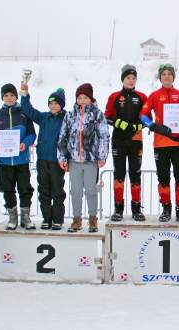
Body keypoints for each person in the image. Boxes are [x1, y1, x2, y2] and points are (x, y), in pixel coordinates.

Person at [140, 63, 179, 224]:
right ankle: (166, 208)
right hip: (161, 144)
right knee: (163, 178)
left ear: (173, 77)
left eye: (170, 74)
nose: (167, 76)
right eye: (164, 74)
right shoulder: (155, 95)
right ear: (160, 77)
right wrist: (153, 126)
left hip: (177, 144)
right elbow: (143, 115)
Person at [57, 83, 110, 232]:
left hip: (90, 160)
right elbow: (63, 136)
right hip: (74, 161)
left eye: (85, 97)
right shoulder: (70, 114)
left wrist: (102, 156)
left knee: (91, 190)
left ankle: (93, 219)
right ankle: (76, 219)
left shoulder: (97, 114)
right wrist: (62, 157)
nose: (82, 100)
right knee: (75, 191)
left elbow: (104, 135)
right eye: (79, 97)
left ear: (90, 98)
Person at [0, 83, 36, 230]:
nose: (9, 98)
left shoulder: (23, 114)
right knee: (7, 189)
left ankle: (26, 217)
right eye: (6, 95)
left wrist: (25, 143)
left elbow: (32, 134)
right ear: (2, 97)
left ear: (16, 96)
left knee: (25, 188)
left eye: (12, 95)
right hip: (4, 161)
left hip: (21, 160)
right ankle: (12, 217)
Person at [20, 83, 67, 230]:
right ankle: (47, 218)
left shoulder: (66, 119)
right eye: (51, 103)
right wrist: (24, 95)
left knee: (57, 191)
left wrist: (67, 159)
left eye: (56, 103)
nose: (53, 106)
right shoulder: (44, 117)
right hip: (42, 160)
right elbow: (28, 110)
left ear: (62, 105)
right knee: (44, 190)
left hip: (57, 161)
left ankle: (58, 219)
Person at [105, 65, 148, 222]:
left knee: (135, 174)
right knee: (119, 173)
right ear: (123, 79)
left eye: (133, 78)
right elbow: (107, 116)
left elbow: (148, 118)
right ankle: (118, 209)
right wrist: (119, 123)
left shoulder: (142, 96)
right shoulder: (114, 96)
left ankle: (136, 209)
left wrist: (139, 125)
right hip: (119, 140)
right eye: (128, 78)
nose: (131, 80)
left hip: (136, 141)